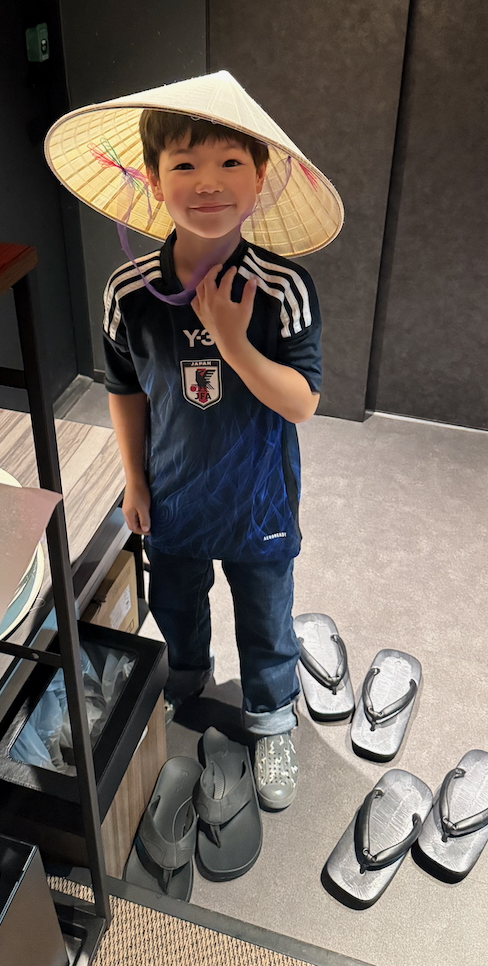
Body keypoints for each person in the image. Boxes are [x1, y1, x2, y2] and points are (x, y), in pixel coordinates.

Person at [43, 72, 343, 811]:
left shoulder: (282, 288)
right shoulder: (128, 292)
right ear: (154, 179)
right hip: (172, 491)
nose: (208, 182)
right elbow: (124, 388)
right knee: (175, 601)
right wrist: (133, 480)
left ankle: (272, 718)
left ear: (260, 177)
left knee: (266, 616)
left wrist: (235, 343)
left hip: (258, 499)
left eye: (230, 163)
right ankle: (185, 683)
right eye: (184, 164)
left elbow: (303, 403)